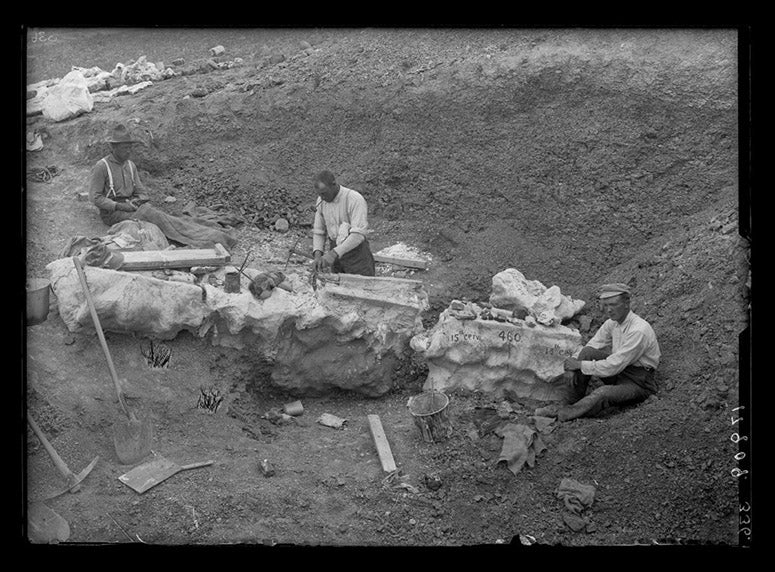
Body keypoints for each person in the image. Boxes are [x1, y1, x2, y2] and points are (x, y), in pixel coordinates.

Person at [88, 124, 236, 250]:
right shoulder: (102, 167)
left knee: (159, 215)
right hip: (112, 214)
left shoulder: (130, 165)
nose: (129, 151)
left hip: (131, 206)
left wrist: (138, 200)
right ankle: (203, 238)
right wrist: (119, 206)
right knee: (154, 216)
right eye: (125, 148)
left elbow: (141, 192)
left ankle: (210, 234)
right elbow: (95, 197)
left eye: (130, 147)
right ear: (113, 147)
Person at [556, 283, 661, 422]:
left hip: (638, 383)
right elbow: (593, 344)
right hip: (620, 372)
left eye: (613, 304)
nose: (609, 310)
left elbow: (614, 365)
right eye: (605, 306)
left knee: (602, 393)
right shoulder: (612, 323)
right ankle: (571, 402)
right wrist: (573, 363)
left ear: (626, 303)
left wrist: (580, 365)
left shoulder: (638, 330)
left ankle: (564, 414)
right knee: (587, 352)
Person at [311, 170, 375, 276]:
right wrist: (317, 255)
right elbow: (319, 231)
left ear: (334, 185)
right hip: (336, 253)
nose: (322, 197)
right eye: (319, 194)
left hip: (356, 254)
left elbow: (358, 235)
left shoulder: (354, 199)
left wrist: (334, 253)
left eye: (324, 193)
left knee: (362, 288)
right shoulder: (321, 201)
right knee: (338, 287)